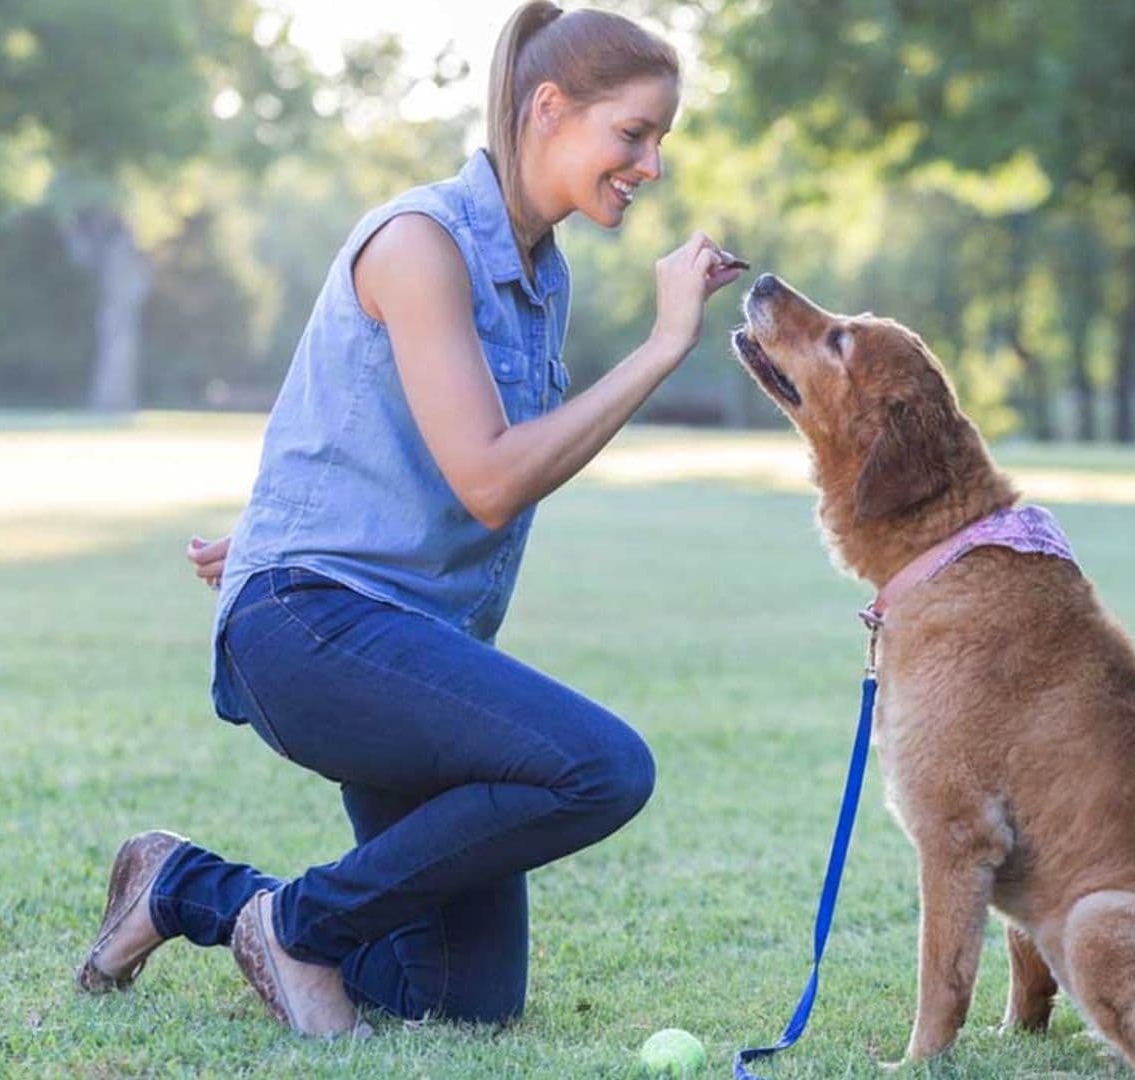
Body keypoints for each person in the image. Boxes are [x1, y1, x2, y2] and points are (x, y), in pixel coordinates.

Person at [74, 1, 745, 1036]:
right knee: (604, 768)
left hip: (392, 635)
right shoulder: (420, 242)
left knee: (456, 1000)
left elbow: (381, 428)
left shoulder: (539, 280)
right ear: (550, 108)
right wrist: (661, 348)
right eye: (635, 133)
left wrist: (272, 527)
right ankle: (296, 929)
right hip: (313, 629)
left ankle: (184, 888)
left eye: (658, 141)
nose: (650, 164)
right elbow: (485, 478)